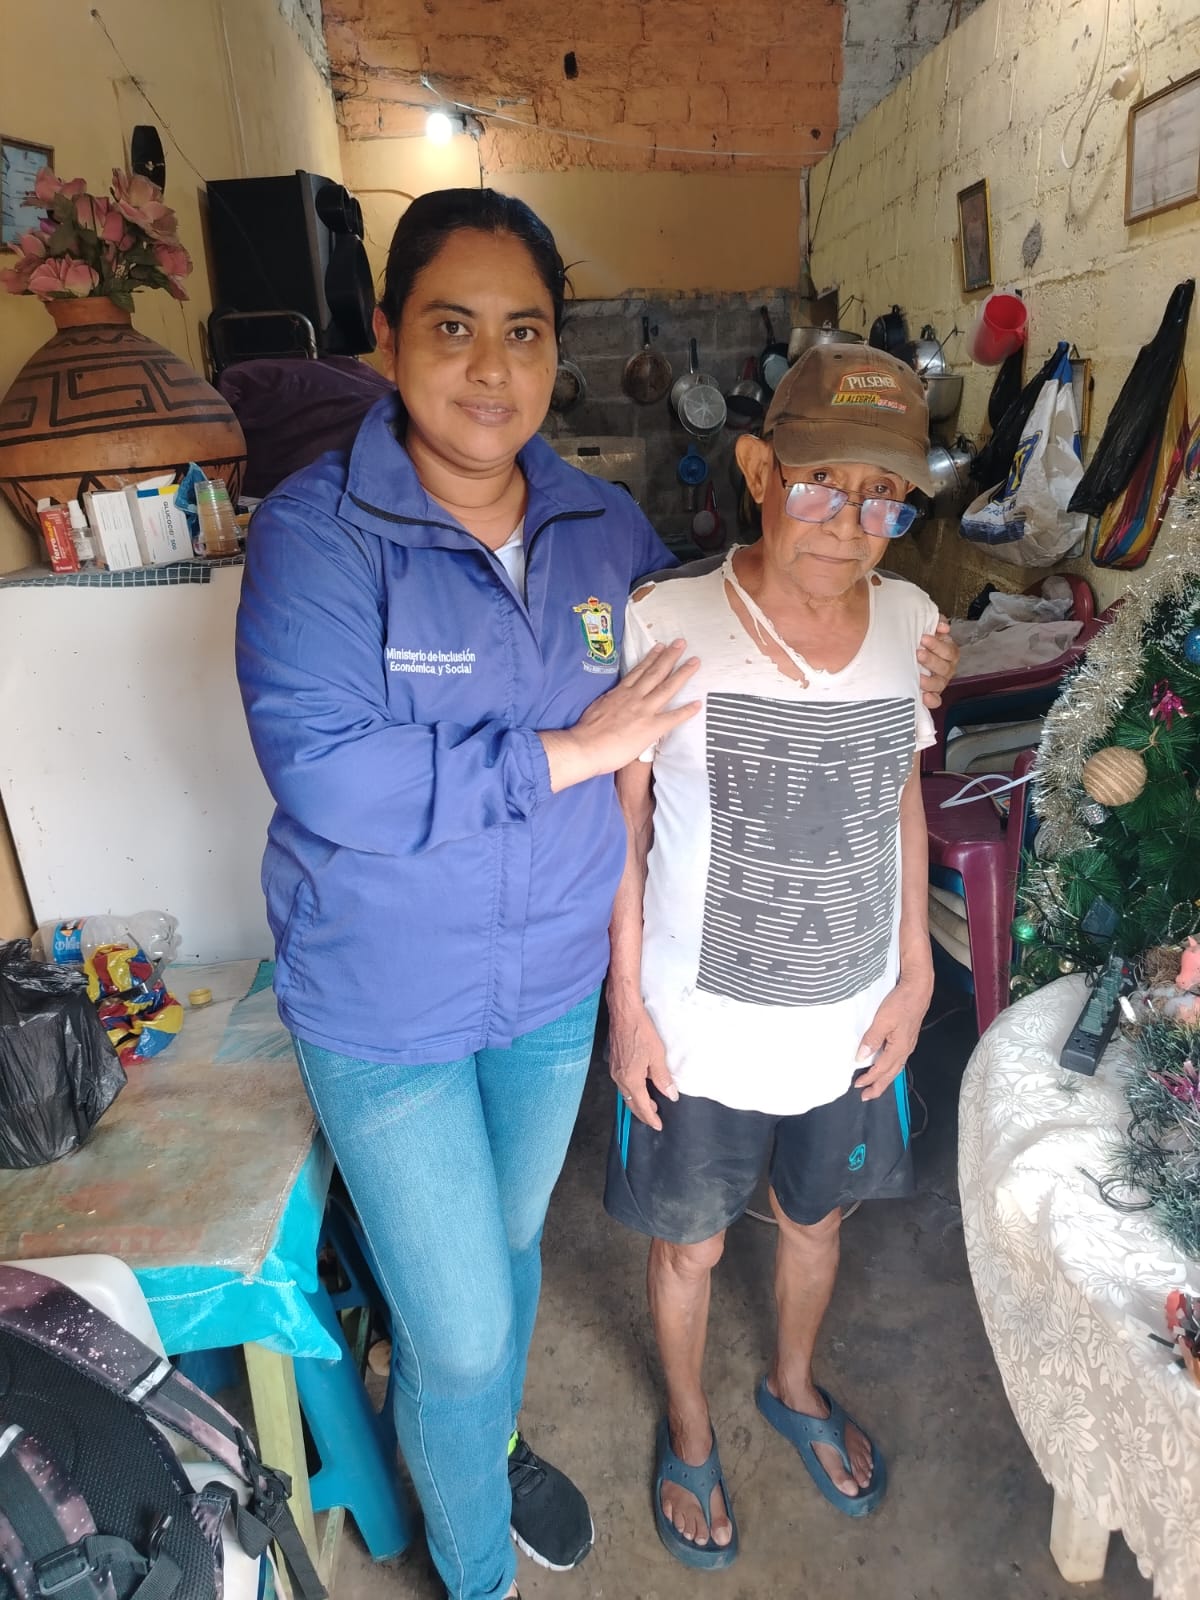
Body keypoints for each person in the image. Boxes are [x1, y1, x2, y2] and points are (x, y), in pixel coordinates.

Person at [236, 187, 959, 1600]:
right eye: (452, 327)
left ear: (556, 351)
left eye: (523, 331)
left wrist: (899, 647)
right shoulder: (318, 535)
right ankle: (476, 1560)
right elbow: (332, 778)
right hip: (386, 999)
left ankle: (484, 1438)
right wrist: (573, 749)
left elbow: (730, 618)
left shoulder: (600, 529)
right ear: (387, 336)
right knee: (455, 1328)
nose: (489, 367)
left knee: (508, 1252)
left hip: (549, 989)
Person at [604, 343, 941, 1570]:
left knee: (816, 1221)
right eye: (820, 485)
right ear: (757, 469)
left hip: (849, 1020)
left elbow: (903, 801)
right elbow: (624, 830)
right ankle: (689, 1421)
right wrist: (627, 1008)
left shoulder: (913, 623)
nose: (849, 525)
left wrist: (917, 974)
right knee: (689, 1242)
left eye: (883, 497)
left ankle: (792, 1384)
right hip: (695, 1028)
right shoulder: (668, 620)